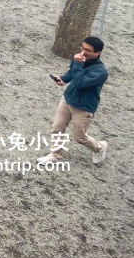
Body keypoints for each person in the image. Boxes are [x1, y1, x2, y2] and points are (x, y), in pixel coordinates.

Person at [38, 37, 109, 166]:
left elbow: (80, 83)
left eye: (88, 50)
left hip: (83, 108)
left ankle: (100, 148)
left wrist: (78, 64)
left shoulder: (100, 72)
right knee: (58, 128)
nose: (83, 52)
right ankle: (54, 155)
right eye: (82, 47)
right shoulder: (80, 60)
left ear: (98, 52)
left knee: (79, 138)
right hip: (67, 99)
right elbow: (72, 73)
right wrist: (63, 78)